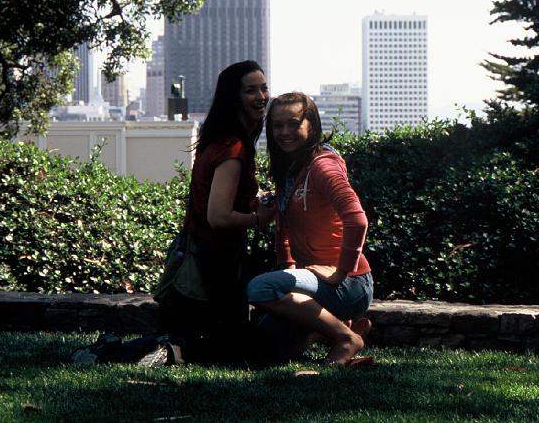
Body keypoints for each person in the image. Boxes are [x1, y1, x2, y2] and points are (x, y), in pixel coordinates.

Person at [71, 60, 274, 367]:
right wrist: (260, 219)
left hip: (204, 254)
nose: (261, 96)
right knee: (238, 351)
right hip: (215, 261)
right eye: (250, 90)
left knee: (224, 341)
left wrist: (253, 201)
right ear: (234, 97)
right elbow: (217, 216)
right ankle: (134, 352)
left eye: (263, 87)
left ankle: (141, 350)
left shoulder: (223, 140)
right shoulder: (232, 148)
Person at [246, 92, 374, 366]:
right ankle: (334, 328)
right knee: (261, 351)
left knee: (259, 289)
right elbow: (284, 228)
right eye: (277, 126)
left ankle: (344, 337)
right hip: (314, 284)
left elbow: (357, 220)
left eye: (293, 123)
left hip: (349, 283)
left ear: (311, 125)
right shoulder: (290, 169)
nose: (284, 132)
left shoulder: (323, 167)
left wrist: (341, 271)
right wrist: (288, 268)